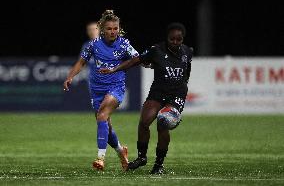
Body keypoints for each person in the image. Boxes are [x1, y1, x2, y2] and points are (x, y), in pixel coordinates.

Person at [99, 22, 193, 174]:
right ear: (167, 38)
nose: (175, 42)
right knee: (144, 122)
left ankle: (158, 165)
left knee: (163, 122)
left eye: (179, 40)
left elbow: (187, 72)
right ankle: (142, 157)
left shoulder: (187, 52)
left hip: (176, 94)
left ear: (182, 39)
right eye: (172, 39)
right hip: (158, 92)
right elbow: (134, 61)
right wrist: (113, 69)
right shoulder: (156, 50)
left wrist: (181, 90)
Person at [63, 10, 139, 171]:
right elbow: (81, 62)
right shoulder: (93, 44)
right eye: (110, 29)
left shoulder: (124, 44)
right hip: (96, 89)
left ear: (119, 28)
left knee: (102, 115)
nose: (113, 32)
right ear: (102, 29)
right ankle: (121, 151)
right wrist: (70, 77)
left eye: (116, 28)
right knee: (105, 124)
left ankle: (100, 158)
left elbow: (136, 58)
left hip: (115, 87)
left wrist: (146, 61)